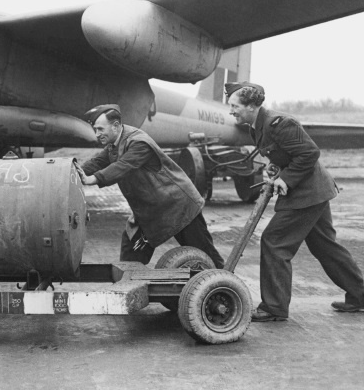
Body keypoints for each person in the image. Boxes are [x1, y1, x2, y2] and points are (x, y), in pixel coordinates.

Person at [225, 82, 364, 321]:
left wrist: (286, 179)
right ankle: (360, 295)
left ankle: (274, 307)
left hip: (307, 194)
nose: (231, 111)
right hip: (312, 192)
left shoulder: (280, 123)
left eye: (235, 106)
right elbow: (287, 153)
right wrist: (275, 167)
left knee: (274, 241)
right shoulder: (256, 126)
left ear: (251, 106)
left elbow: (309, 153)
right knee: (325, 247)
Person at [75, 104, 225, 269]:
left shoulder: (139, 142)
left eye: (100, 129)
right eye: (95, 129)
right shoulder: (114, 145)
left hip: (179, 207)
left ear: (116, 126)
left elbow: (124, 166)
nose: (97, 134)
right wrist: (72, 171)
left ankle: (227, 288)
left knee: (205, 256)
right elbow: (97, 162)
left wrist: (93, 179)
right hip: (151, 213)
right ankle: (130, 288)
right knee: (131, 253)